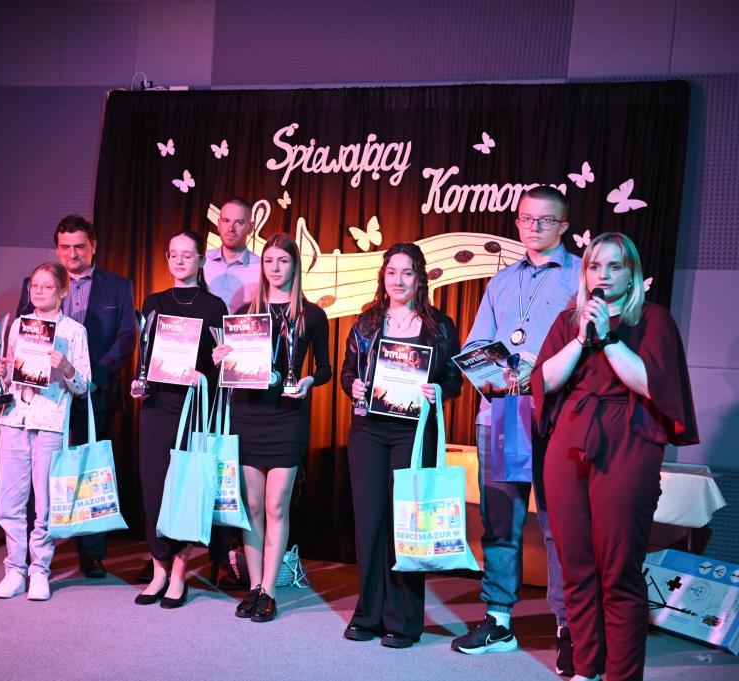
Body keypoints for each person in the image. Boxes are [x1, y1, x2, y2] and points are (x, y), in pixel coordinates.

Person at [534, 232, 697, 681]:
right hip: (568, 443)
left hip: (627, 440)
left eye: (614, 266)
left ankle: (621, 675)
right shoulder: (570, 320)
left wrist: (607, 338)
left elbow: (649, 384)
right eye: (594, 266)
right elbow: (546, 380)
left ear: (632, 274)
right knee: (575, 565)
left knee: (619, 568)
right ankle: (587, 668)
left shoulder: (653, 319)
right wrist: (582, 337)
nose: (603, 275)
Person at [454, 186, 580, 671]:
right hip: (505, 414)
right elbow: (476, 344)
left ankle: (569, 628)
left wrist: (538, 371)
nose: (533, 227)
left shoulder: (580, 276)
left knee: (559, 526)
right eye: (526, 218)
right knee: (501, 523)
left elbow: (589, 345)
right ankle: (499, 620)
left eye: (544, 220)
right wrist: (498, 370)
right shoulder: (502, 280)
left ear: (563, 226)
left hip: (557, 415)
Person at [340, 243, 462, 648]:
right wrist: (354, 386)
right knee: (369, 523)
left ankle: (403, 621)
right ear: (383, 276)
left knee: (406, 525)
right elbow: (347, 373)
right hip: (369, 431)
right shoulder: (366, 322)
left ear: (420, 278)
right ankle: (367, 614)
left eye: (407, 272)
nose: (398, 280)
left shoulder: (440, 326)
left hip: (414, 432)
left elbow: (454, 380)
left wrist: (437, 390)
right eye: (392, 272)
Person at [213, 233, 331, 622]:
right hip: (248, 414)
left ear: (295, 265)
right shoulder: (246, 312)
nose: (275, 268)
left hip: (287, 416)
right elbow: (233, 368)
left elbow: (325, 369)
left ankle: (270, 590)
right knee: (251, 506)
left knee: (276, 504)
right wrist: (221, 358)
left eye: (283, 261)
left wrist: (309, 381)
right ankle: (253, 587)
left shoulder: (312, 315)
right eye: (269, 261)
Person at [16, 214, 136, 578]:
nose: (73, 253)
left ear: (93, 246)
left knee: (89, 471)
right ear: (57, 248)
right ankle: (35, 553)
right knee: (40, 472)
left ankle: (92, 554)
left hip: (93, 394)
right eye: (65, 247)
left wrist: (93, 379)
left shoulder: (118, 286)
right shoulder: (36, 284)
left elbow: (126, 337)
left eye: (80, 246)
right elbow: (25, 332)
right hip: (45, 397)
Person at [131, 229, 228, 608]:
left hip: (194, 408)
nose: (180, 260)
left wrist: (207, 373)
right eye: (174, 254)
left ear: (201, 259)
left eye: (188, 254)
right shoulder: (154, 302)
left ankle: (179, 573)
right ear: (167, 259)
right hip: (157, 408)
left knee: (185, 489)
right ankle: (158, 569)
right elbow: (145, 356)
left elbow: (223, 367)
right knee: (154, 488)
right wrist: (139, 383)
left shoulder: (214, 306)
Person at [0, 261, 91, 601]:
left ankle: (40, 570)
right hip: (15, 419)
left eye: (47, 286)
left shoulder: (74, 332)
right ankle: (14, 570)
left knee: (45, 505)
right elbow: (9, 380)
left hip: (50, 423)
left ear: (63, 291)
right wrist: (0, 370)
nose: (39, 291)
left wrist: (66, 366)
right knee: (9, 502)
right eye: (34, 285)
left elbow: (83, 387)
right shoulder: (19, 325)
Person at [200, 196, 263, 589]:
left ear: (250, 227)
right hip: (204, 367)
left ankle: (232, 555)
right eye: (225, 220)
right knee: (206, 459)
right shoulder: (201, 262)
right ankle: (202, 552)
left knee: (235, 462)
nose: (231, 228)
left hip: (244, 371)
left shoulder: (261, 266)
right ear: (218, 223)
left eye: (240, 222)